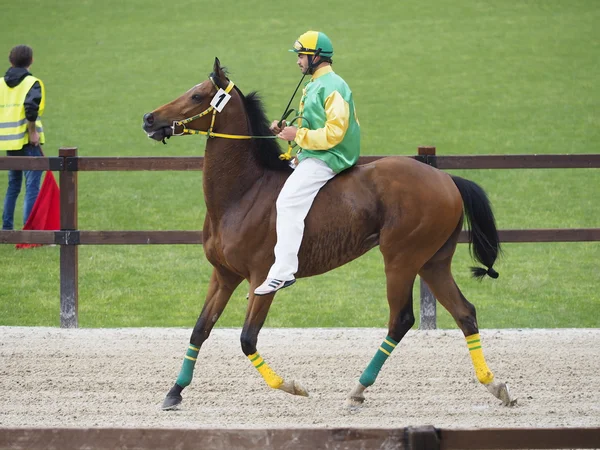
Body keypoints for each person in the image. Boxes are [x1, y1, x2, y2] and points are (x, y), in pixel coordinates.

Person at [255, 31, 361, 296]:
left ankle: (284, 272)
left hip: (331, 156)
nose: (298, 61)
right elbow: (313, 124)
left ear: (316, 56)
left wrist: (297, 135)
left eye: (301, 56)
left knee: (288, 202)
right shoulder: (314, 84)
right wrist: (287, 129)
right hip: (313, 153)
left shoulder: (333, 86)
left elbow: (335, 133)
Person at [1, 44, 45, 230]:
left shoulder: (1, 83)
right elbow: (31, 109)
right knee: (32, 185)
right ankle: (31, 232)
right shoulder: (32, 82)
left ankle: (7, 229)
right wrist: (32, 131)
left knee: (13, 185)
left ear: (11, 61)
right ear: (31, 61)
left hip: (10, 141)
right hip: (27, 140)